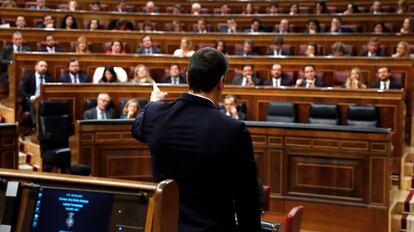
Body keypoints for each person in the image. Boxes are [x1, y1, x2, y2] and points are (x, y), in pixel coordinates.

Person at [132, 47, 261, 231]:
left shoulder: (154, 115)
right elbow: (246, 199)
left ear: (187, 77)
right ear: (222, 82)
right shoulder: (233, 130)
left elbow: (137, 128)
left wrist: (153, 103)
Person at [20, 60, 52, 126]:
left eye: (45, 66)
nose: (44, 68)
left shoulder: (49, 79)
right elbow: (22, 91)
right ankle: (35, 125)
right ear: (36, 67)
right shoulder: (28, 78)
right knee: (33, 102)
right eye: (41, 66)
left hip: (45, 100)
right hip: (31, 100)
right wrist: (31, 97)